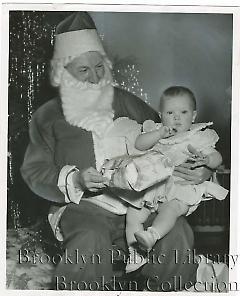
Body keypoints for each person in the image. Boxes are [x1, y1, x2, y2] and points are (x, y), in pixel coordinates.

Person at [21, 12, 216, 291]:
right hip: (84, 208)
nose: (95, 78)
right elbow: (34, 170)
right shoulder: (47, 116)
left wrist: (202, 169)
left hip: (140, 203)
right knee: (89, 239)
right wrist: (75, 180)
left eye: (99, 67)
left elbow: (176, 134)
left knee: (176, 233)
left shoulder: (125, 101)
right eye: (83, 71)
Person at [101, 86, 228, 273]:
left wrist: (208, 160)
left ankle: (153, 235)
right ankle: (136, 252)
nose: (177, 118)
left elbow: (217, 157)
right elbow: (139, 144)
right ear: (161, 115)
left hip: (180, 188)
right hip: (155, 186)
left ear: (193, 116)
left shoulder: (197, 137)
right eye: (170, 112)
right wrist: (158, 134)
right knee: (133, 213)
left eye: (183, 112)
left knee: (170, 210)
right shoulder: (158, 131)